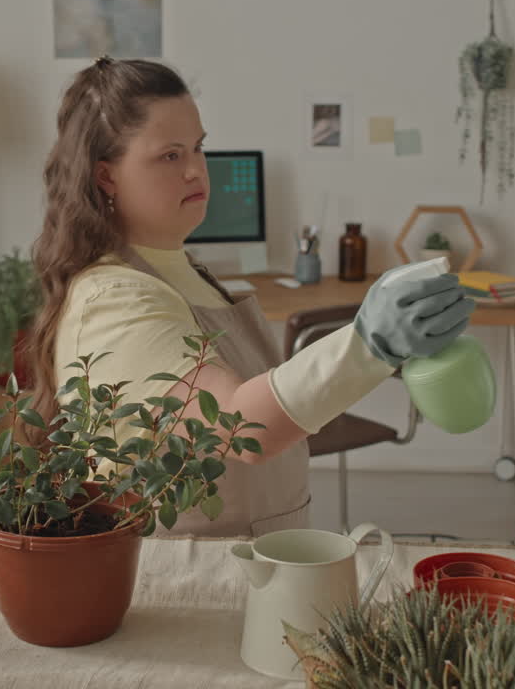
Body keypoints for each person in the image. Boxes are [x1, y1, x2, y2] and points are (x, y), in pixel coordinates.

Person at [27, 57, 474, 537]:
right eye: (170, 155)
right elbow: (240, 425)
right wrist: (371, 344)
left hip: (252, 556)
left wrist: (383, 349)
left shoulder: (180, 269)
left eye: (199, 148)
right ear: (106, 177)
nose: (197, 170)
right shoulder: (114, 298)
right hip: (191, 576)